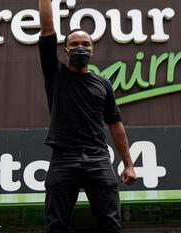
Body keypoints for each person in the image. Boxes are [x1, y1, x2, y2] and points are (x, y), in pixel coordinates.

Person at [38, 1, 137, 233]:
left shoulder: (103, 84)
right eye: (74, 44)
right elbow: (47, 29)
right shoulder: (55, 73)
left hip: (98, 158)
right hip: (63, 158)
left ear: (92, 50)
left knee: (111, 223)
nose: (80, 47)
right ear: (66, 50)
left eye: (85, 44)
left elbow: (115, 124)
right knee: (55, 224)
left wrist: (129, 164)